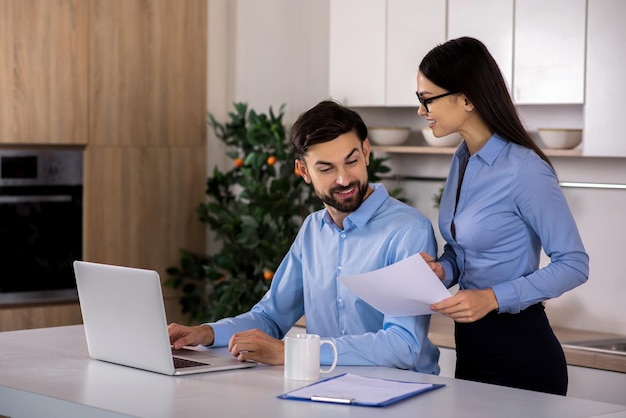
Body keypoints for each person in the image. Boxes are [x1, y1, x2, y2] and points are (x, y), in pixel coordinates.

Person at [169, 100, 440, 374]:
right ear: (303, 171)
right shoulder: (312, 230)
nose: (344, 179)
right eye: (326, 169)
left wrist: (293, 352)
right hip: (328, 389)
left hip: (402, 395)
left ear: (366, 152)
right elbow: (271, 317)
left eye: (351, 161)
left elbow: (403, 345)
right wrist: (206, 333)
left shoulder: (408, 230)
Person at [415, 37, 589, 395]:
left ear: (466, 98)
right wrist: (443, 270)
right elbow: (464, 250)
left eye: (426, 98)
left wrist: (493, 297)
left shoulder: (525, 169)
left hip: (523, 352)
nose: (421, 110)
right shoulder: (461, 159)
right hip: (472, 347)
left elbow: (574, 264)